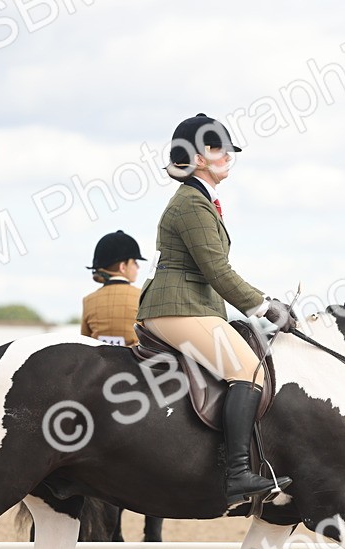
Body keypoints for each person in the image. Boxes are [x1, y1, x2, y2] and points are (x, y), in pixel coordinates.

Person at [136, 113, 296, 504]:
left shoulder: (202, 199)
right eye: (218, 149)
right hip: (177, 306)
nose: (227, 156)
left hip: (192, 305)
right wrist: (263, 306)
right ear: (199, 157)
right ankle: (238, 473)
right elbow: (217, 270)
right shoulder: (191, 203)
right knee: (247, 371)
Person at [81, 230, 146, 346]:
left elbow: (84, 342)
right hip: (133, 362)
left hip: (97, 361)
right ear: (123, 267)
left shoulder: (88, 300)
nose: (138, 266)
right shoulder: (142, 296)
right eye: (135, 262)